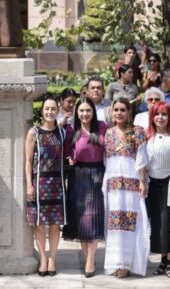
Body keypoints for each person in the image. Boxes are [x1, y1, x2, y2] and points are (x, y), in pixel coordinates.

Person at [103, 98, 150, 278]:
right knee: (114, 223)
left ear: (129, 112)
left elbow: (142, 159)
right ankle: (116, 262)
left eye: (123, 109)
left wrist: (142, 181)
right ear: (112, 112)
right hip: (113, 184)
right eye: (116, 110)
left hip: (131, 181)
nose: (119, 113)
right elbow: (106, 160)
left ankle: (129, 263)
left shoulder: (138, 132)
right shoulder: (108, 133)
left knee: (131, 222)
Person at [63, 97, 108, 278]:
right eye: (81, 110)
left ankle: (90, 260)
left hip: (97, 173)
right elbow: (65, 152)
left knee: (93, 217)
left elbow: (107, 146)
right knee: (81, 218)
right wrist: (69, 159)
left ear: (93, 111)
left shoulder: (102, 126)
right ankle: (86, 256)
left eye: (88, 110)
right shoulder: (71, 129)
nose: (84, 114)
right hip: (78, 175)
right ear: (76, 112)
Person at [25, 95, 66, 276]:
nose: (50, 112)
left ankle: (52, 258)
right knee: (39, 224)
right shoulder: (34, 132)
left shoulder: (62, 133)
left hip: (57, 183)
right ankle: (43, 257)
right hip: (39, 183)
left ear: (58, 111)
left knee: (55, 225)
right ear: (42, 111)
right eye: (47, 109)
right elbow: (27, 161)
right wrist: (29, 185)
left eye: (53, 109)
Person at [140, 101, 170, 278]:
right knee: (156, 223)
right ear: (152, 117)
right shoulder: (146, 137)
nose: (160, 117)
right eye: (157, 114)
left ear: (169, 117)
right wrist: (142, 181)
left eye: (164, 114)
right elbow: (141, 161)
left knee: (167, 222)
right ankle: (163, 261)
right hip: (152, 184)